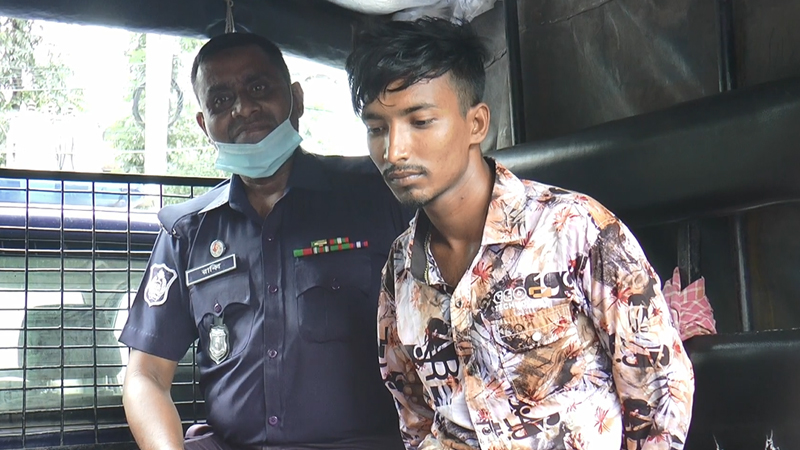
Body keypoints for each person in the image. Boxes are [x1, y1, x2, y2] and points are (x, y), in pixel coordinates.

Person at [345, 17, 695, 450]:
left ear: (476, 124)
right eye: (377, 129)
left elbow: (660, 392)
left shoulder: (574, 229)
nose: (393, 150)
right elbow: (413, 412)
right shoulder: (400, 269)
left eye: (420, 121)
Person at [119, 32, 410, 450]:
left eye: (258, 88)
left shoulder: (378, 195)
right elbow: (145, 375)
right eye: (221, 100)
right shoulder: (187, 233)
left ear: (296, 100)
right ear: (203, 124)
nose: (242, 108)